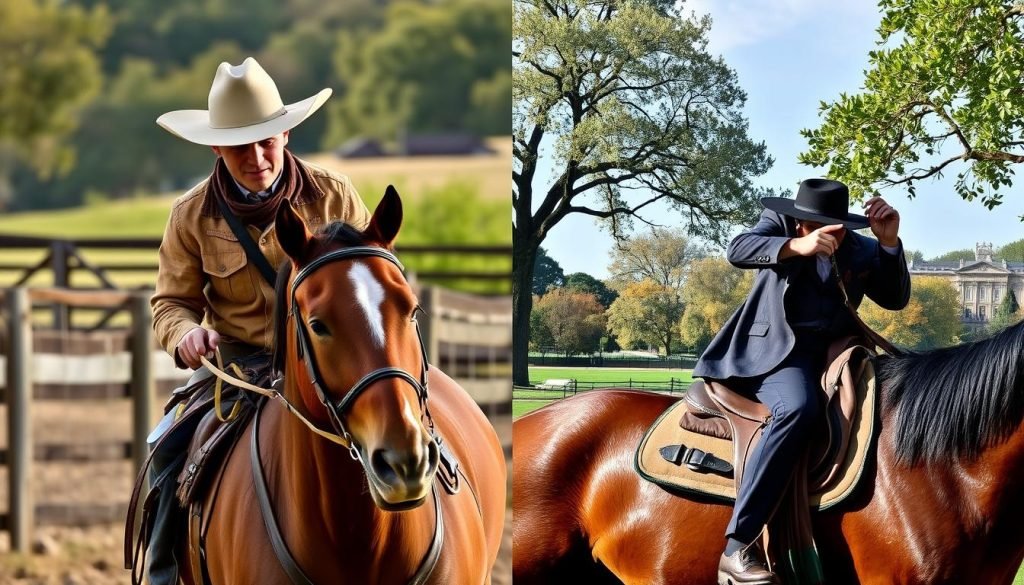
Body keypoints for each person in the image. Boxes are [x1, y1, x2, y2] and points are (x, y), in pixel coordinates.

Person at [141, 57, 371, 585]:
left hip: (330, 360)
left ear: (286, 131)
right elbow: (169, 303)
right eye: (241, 145)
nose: (257, 156)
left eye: (266, 140)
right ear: (216, 148)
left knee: (408, 426)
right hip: (236, 370)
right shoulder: (190, 215)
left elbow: (374, 280)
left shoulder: (334, 195)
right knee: (164, 452)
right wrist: (186, 335)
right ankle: (161, 572)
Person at [691, 178, 910, 584]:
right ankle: (739, 545)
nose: (830, 233)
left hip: (837, 354)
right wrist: (796, 249)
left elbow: (895, 298)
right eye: (817, 226)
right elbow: (738, 249)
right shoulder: (779, 225)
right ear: (799, 222)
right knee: (797, 408)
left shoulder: (858, 248)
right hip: (774, 354)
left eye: (838, 226)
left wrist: (889, 244)